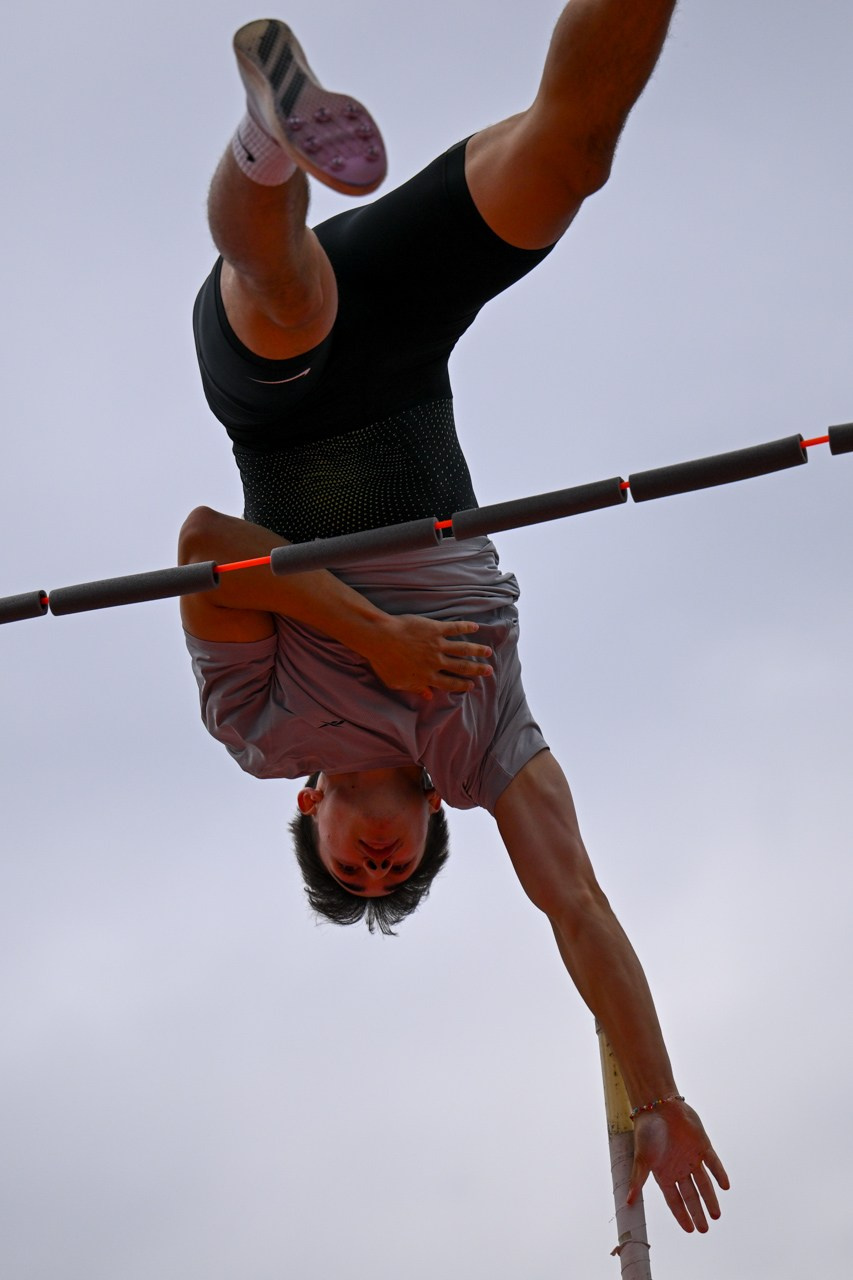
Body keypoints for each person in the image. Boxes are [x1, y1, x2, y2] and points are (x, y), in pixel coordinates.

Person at [179, 6, 730, 1233]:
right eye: (400, 870)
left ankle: (270, 143)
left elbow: (210, 545)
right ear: (434, 823)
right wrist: (659, 1094)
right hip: (413, 346)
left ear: (310, 804)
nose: (377, 868)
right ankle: (285, 148)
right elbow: (579, 907)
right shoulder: (480, 747)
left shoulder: (262, 727)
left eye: (348, 870)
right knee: (573, 149)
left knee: (286, 288)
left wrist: (373, 639)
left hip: (290, 406)